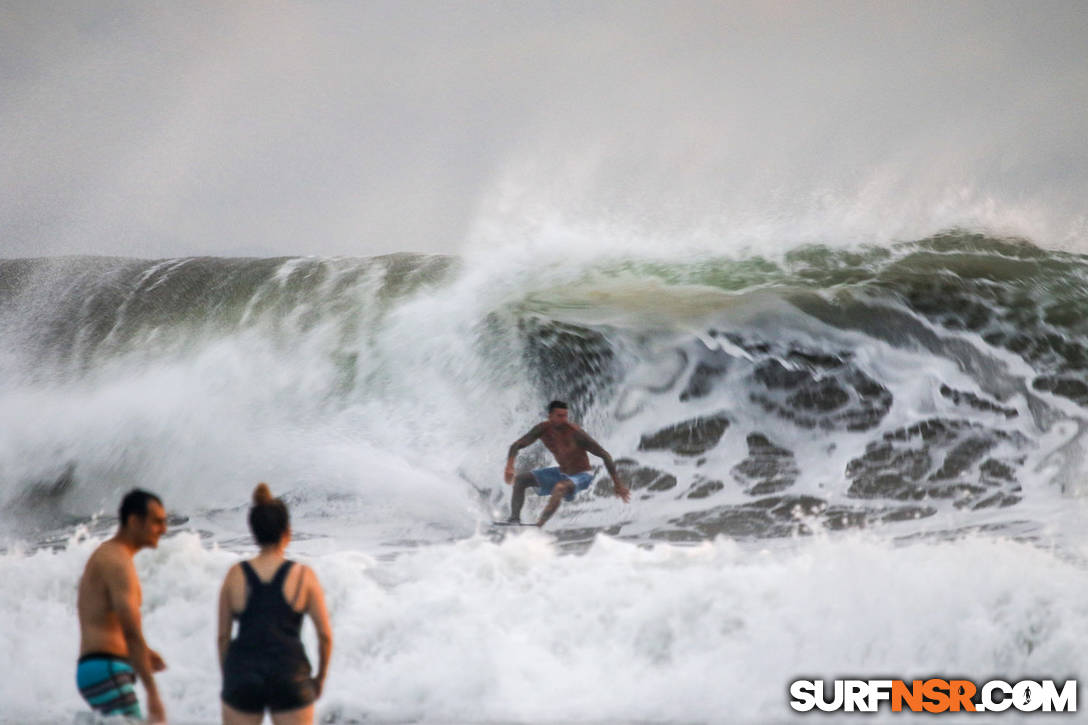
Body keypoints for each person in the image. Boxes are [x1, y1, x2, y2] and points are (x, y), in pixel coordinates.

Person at [218, 483, 333, 725]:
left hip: (243, 674)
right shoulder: (303, 576)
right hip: (290, 674)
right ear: (287, 532)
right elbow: (325, 636)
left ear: (254, 532)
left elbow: (223, 638)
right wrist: (319, 679)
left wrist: (230, 676)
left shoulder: (235, 575)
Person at [76, 488, 169, 723]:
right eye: (157, 521)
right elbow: (130, 632)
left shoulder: (109, 556)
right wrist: (153, 695)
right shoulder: (118, 563)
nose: (164, 529)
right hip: (106, 668)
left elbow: (106, 621)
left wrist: (144, 654)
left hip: (97, 668)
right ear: (135, 521)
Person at [504, 400, 630, 526]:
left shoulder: (576, 433)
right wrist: (509, 466)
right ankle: (514, 520)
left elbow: (604, 455)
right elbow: (517, 445)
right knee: (521, 480)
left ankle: (539, 524)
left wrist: (617, 484)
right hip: (561, 472)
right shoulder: (542, 429)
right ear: (550, 416)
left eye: (565, 415)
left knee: (560, 487)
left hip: (582, 476)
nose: (564, 419)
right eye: (559, 416)